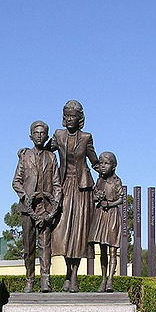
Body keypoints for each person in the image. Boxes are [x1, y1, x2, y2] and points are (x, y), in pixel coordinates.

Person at [48, 100, 99, 292]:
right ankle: (68, 272)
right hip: (63, 186)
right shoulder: (58, 135)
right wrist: (26, 153)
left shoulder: (86, 138)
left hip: (81, 189)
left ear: (80, 119)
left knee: (78, 233)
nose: (70, 119)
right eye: (67, 116)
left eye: (73, 116)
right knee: (62, 232)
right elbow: (45, 150)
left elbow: (94, 161)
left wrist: (108, 177)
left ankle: (74, 276)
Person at [12, 121, 62, 293]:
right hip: (28, 209)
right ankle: (29, 280)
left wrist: (54, 205)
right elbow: (16, 182)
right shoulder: (25, 156)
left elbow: (57, 184)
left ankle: (45, 280)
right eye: (36, 132)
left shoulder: (51, 157)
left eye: (42, 133)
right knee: (28, 247)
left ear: (47, 136)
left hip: (46, 208)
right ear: (30, 136)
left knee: (45, 246)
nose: (39, 135)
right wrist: (26, 197)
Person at [88, 151, 123, 292]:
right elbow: (94, 196)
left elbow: (121, 198)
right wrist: (97, 196)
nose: (103, 166)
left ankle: (110, 281)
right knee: (102, 249)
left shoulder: (116, 181)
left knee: (112, 250)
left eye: (106, 163)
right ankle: (103, 279)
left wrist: (110, 203)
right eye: (101, 163)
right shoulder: (99, 180)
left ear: (113, 166)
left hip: (112, 216)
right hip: (100, 215)